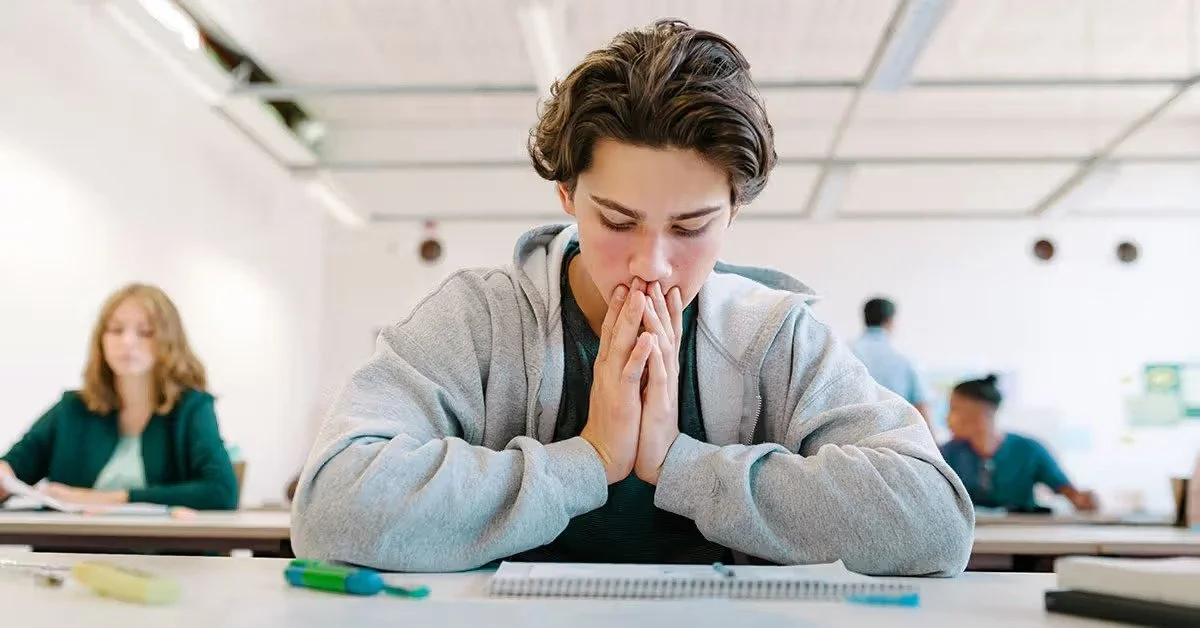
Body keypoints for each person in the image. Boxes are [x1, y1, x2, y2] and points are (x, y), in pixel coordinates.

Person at [291, 20, 973, 576]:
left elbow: (935, 521)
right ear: (567, 199)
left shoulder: (774, 337)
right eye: (617, 222)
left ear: (734, 211)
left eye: (690, 227)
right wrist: (587, 459)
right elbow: (330, 507)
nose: (651, 263)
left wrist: (679, 462)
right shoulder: (479, 319)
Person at [0, 283, 239, 510]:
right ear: (101, 340)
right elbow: (15, 467)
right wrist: (4, 474)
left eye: (145, 332)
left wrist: (106, 499)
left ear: (169, 341)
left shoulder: (191, 408)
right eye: (115, 330)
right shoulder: (73, 408)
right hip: (73, 550)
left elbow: (221, 491)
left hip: (161, 551)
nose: (127, 342)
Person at [940, 375, 1096, 513]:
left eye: (954, 409)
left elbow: (1070, 492)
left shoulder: (1030, 450)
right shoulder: (946, 454)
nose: (947, 418)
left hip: (1023, 536)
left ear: (984, 412)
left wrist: (1083, 499)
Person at [850, 298, 931, 428]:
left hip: (850, 435)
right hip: (895, 437)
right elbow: (921, 405)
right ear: (890, 321)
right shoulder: (904, 358)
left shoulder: (845, 353)